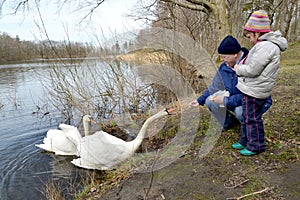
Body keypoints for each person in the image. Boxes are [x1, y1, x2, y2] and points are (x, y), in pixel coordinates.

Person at [232, 10, 288, 156]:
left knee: (252, 119)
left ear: (258, 33)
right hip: (250, 88)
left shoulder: (266, 47)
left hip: (255, 91)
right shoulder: (263, 45)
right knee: (246, 116)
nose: (250, 40)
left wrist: (238, 68)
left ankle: (256, 146)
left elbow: (253, 70)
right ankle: (245, 140)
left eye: (250, 36)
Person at [190, 35, 272, 131]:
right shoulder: (224, 67)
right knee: (210, 100)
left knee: (240, 111)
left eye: (224, 57)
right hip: (234, 98)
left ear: (235, 54)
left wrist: (225, 101)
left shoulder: (251, 65)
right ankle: (229, 123)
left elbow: (249, 96)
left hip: (256, 101)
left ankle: (249, 127)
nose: (222, 60)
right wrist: (199, 100)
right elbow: (215, 87)